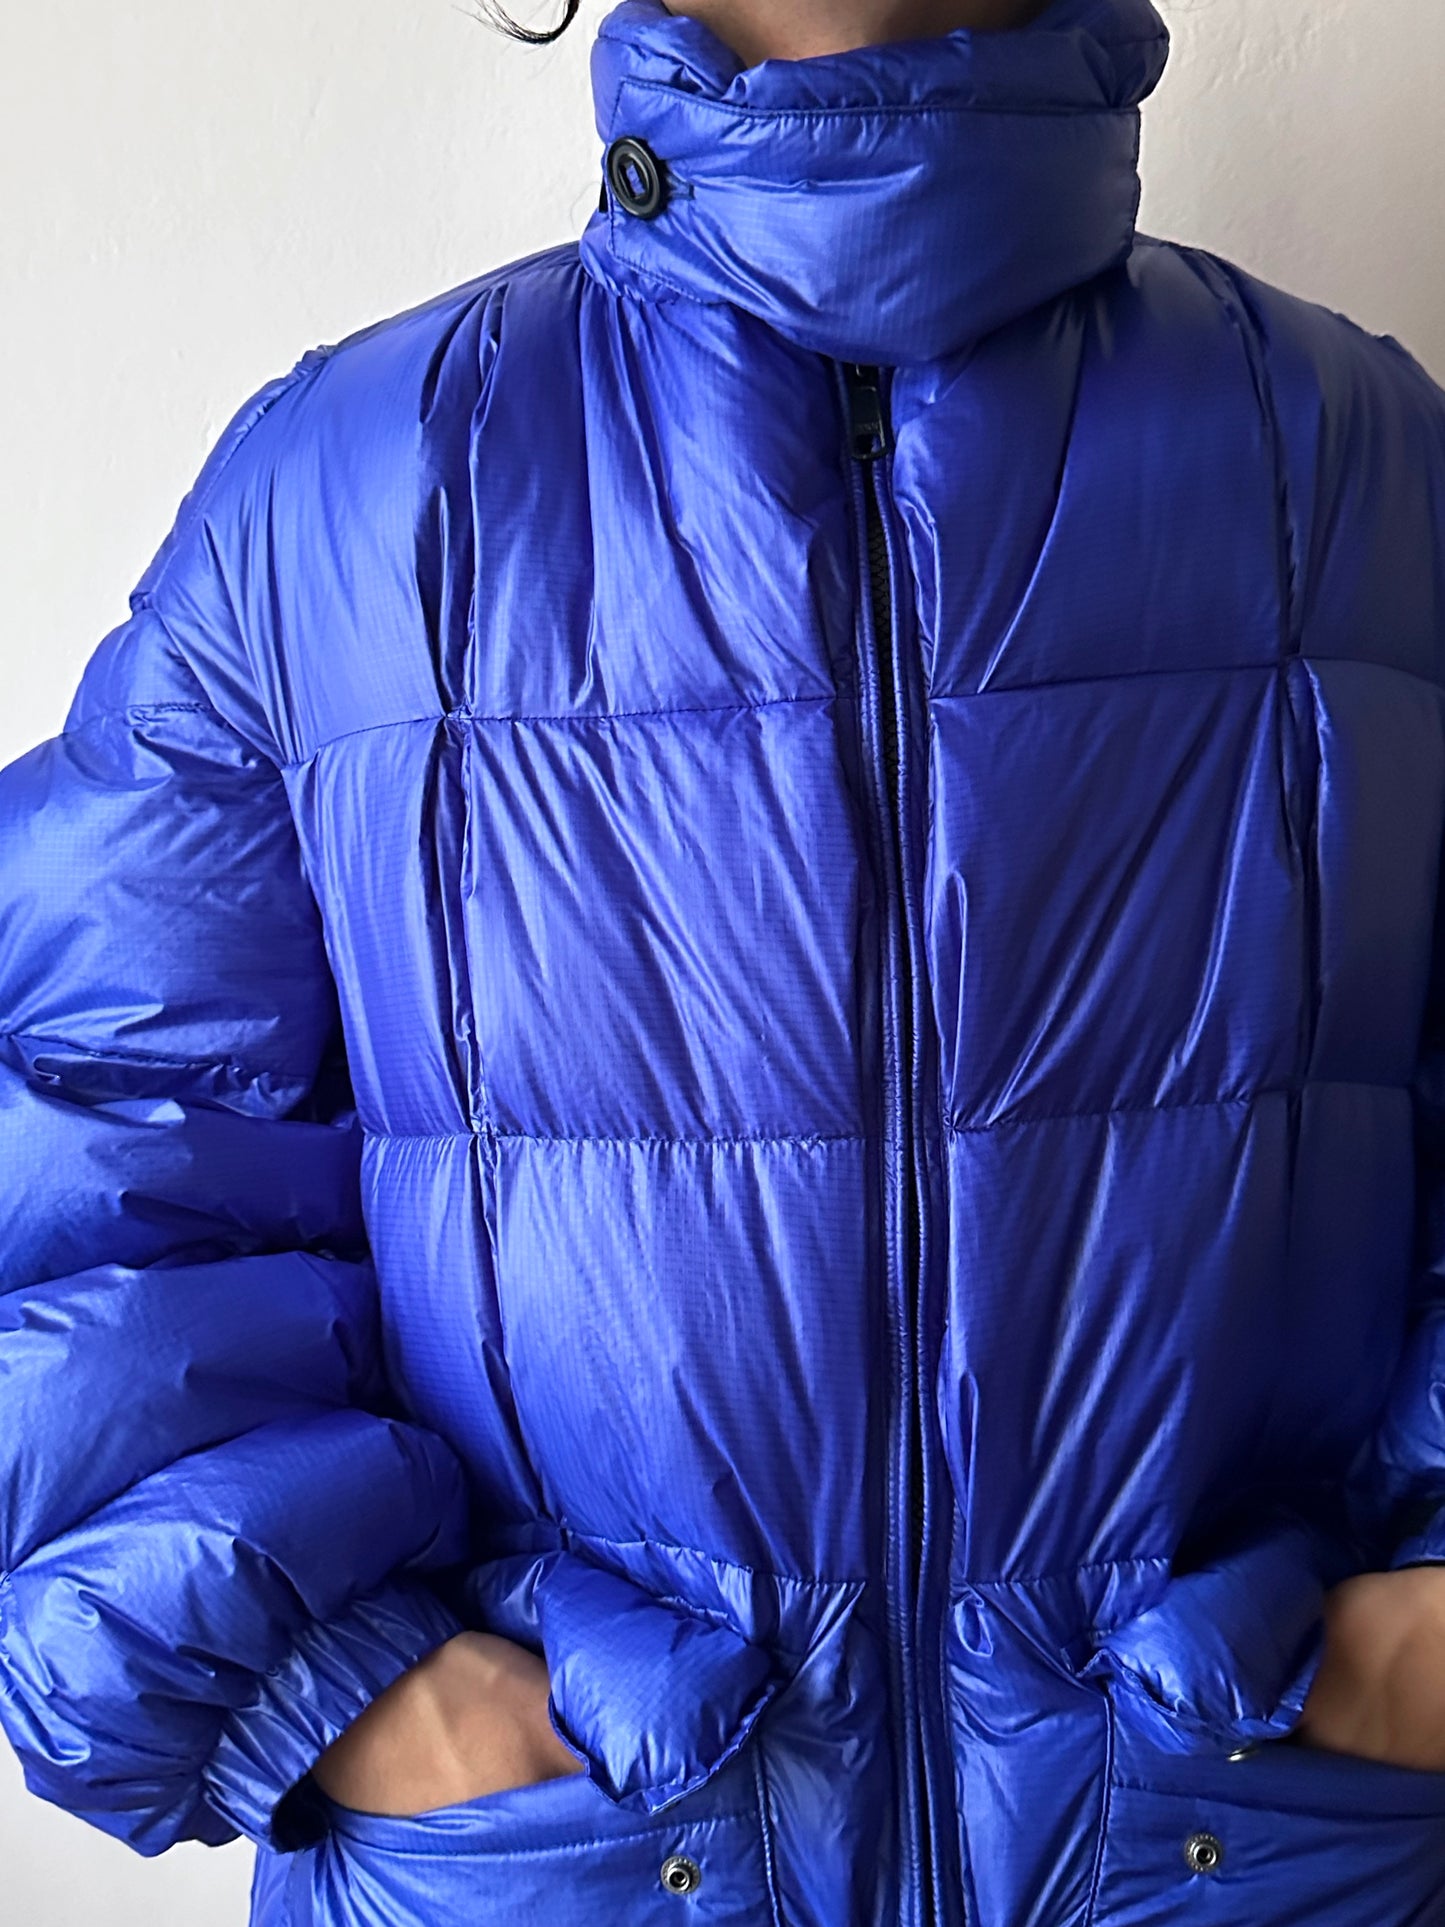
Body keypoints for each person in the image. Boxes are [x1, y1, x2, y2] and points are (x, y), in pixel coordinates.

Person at [2, 0, 1444, 1920]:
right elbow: (80, 1145)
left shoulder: (1359, 465)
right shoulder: (350, 494)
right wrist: (337, 1695)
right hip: (569, 1867)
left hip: (1255, 1859)